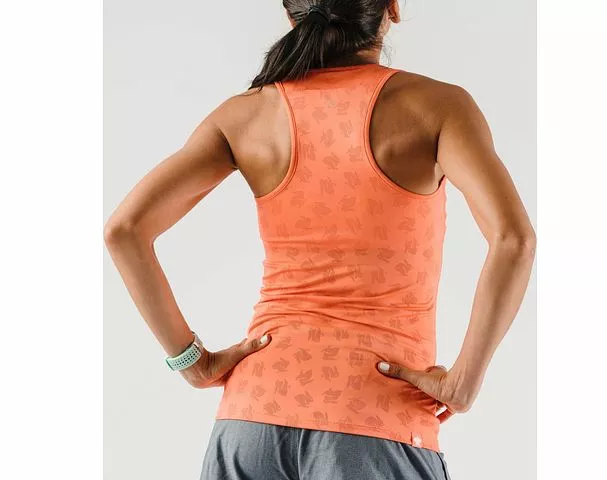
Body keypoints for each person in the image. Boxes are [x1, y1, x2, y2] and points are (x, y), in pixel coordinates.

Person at [104, 1, 536, 479]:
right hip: (375, 418)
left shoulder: (245, 115)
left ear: (291, 14)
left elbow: (125, 230)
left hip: (250, 417)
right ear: (391, 7)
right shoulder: (436, 107)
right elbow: (513, 239)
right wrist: (464, 381)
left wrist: (193, 362)